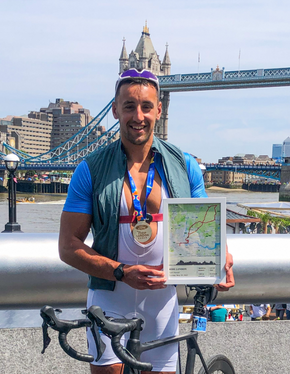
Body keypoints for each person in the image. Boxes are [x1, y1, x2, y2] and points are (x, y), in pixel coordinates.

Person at [58, 68, 235, 374]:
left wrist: (222, 260)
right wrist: (119, 271)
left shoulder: (186, 165)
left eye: (146, 107)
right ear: (115, 110)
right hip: (108, 299)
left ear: (159, 110)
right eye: (129, 106)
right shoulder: (90, 169)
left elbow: (206, 232)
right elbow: (68, 246)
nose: (138, 116)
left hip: (162, 305)